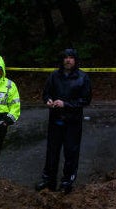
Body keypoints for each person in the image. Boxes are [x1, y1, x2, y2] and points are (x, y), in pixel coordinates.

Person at [36, 48, 92, 194]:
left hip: (73, 122)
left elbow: (86, 100)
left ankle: (67, 182)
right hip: (55, 120)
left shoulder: (82, 77)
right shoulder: (54, 76)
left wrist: (65, 104)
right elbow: (46, 93)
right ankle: (48, 180)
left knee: (71, 153)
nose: (68, 60)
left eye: (71, 57)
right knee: (52, 151)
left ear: (75, 60)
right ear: (62, 60)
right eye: (66, 57)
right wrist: (48, 100)